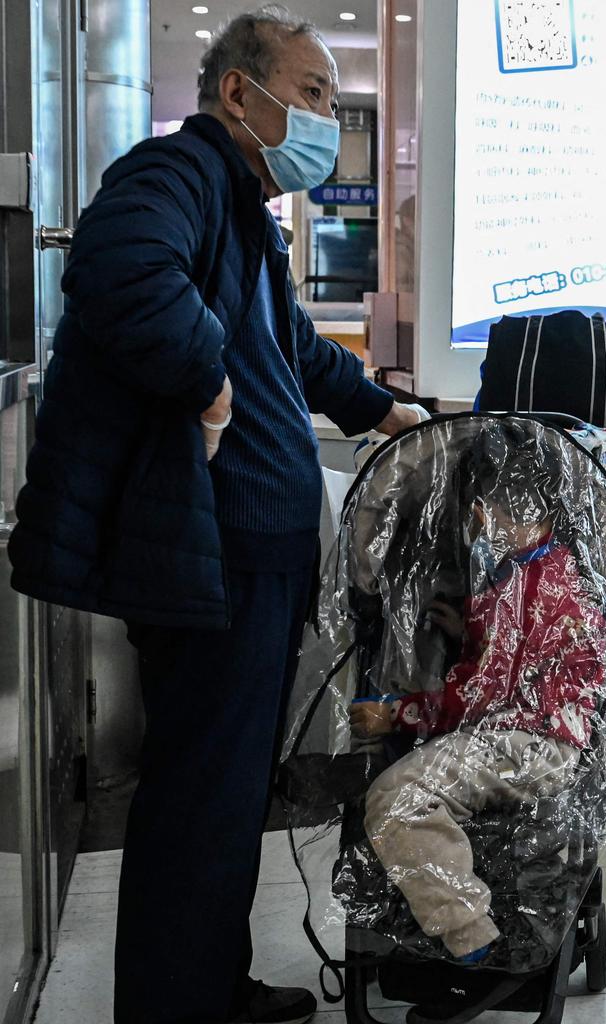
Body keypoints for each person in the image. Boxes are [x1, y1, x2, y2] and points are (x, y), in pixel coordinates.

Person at [8, 8, 421, 1024]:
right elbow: (116, 268)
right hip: (218, 557)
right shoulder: (176, 175)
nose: (326, 117)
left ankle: (207, 982)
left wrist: (386, 408)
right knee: (201, 791)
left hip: (255, 556)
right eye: (314, 93)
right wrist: (205, 382)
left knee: (228, 792)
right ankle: (174, 1004)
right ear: (242, 93)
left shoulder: (241, 211)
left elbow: (296, 350)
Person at [349, 459, 606, 962]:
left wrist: (397, 712)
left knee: (396, 797)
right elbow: (521, 659)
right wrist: (471, 631)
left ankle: (471, 939)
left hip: (530, 742)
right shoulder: (545, 570)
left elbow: (481, 696)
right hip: (544, 734)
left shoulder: (528, 585)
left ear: (490, 512)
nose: (477, 523)